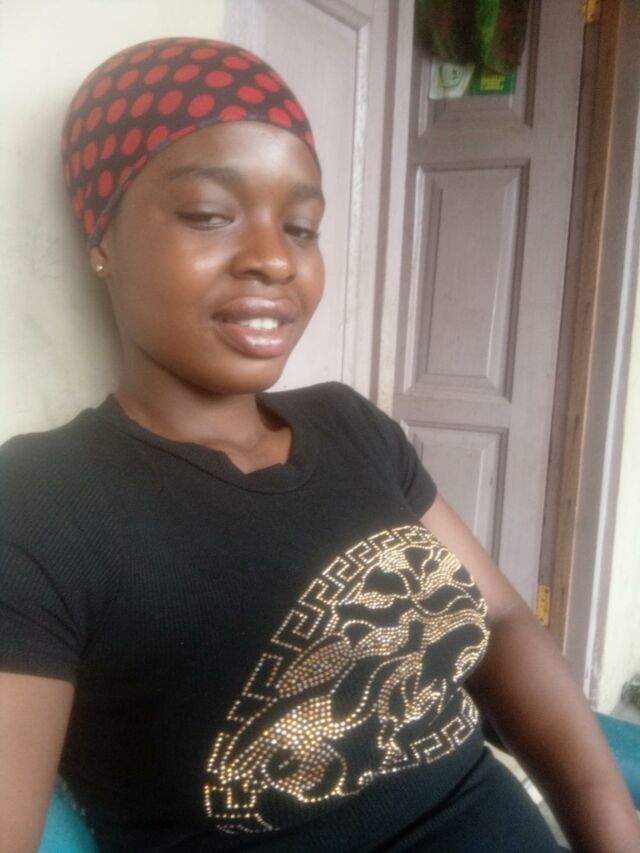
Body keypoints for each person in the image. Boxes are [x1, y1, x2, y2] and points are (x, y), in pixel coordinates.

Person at [0, 36, 638, 853]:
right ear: (102, 238)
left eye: (301, 227)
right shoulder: (43, 504)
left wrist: (613, 833)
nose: (275, 259)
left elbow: (504, 617)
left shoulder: (350, 425)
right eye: (209, 215)